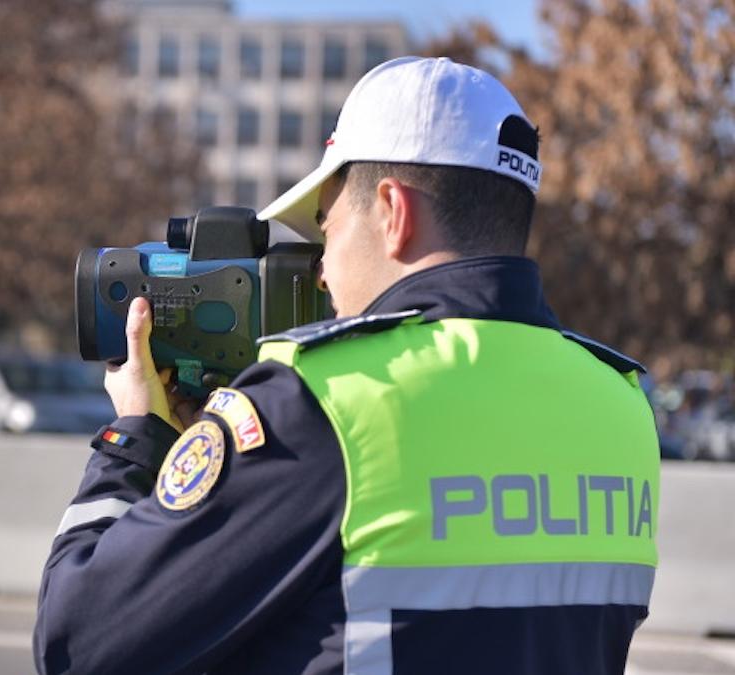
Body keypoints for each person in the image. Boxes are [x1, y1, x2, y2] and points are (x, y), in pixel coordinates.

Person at [33, 56, 660, 675]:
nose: (322, 269)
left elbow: (77, 645)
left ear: (394, 213)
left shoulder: (325, 403)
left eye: (326, 229)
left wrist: (138, 435)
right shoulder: (620, 404)